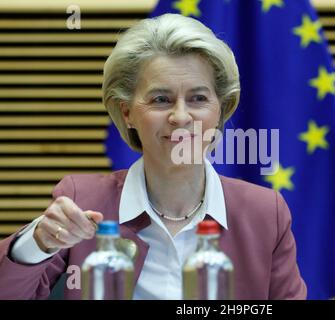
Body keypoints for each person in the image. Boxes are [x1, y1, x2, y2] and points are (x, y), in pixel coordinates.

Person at [0, 13, 307, 300]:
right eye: (161, 99)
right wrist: (39, 242)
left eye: (198, 98)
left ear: (220, 111)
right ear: (128, 112)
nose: (181, 116)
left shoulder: (266, 213)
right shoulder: (83, 201)